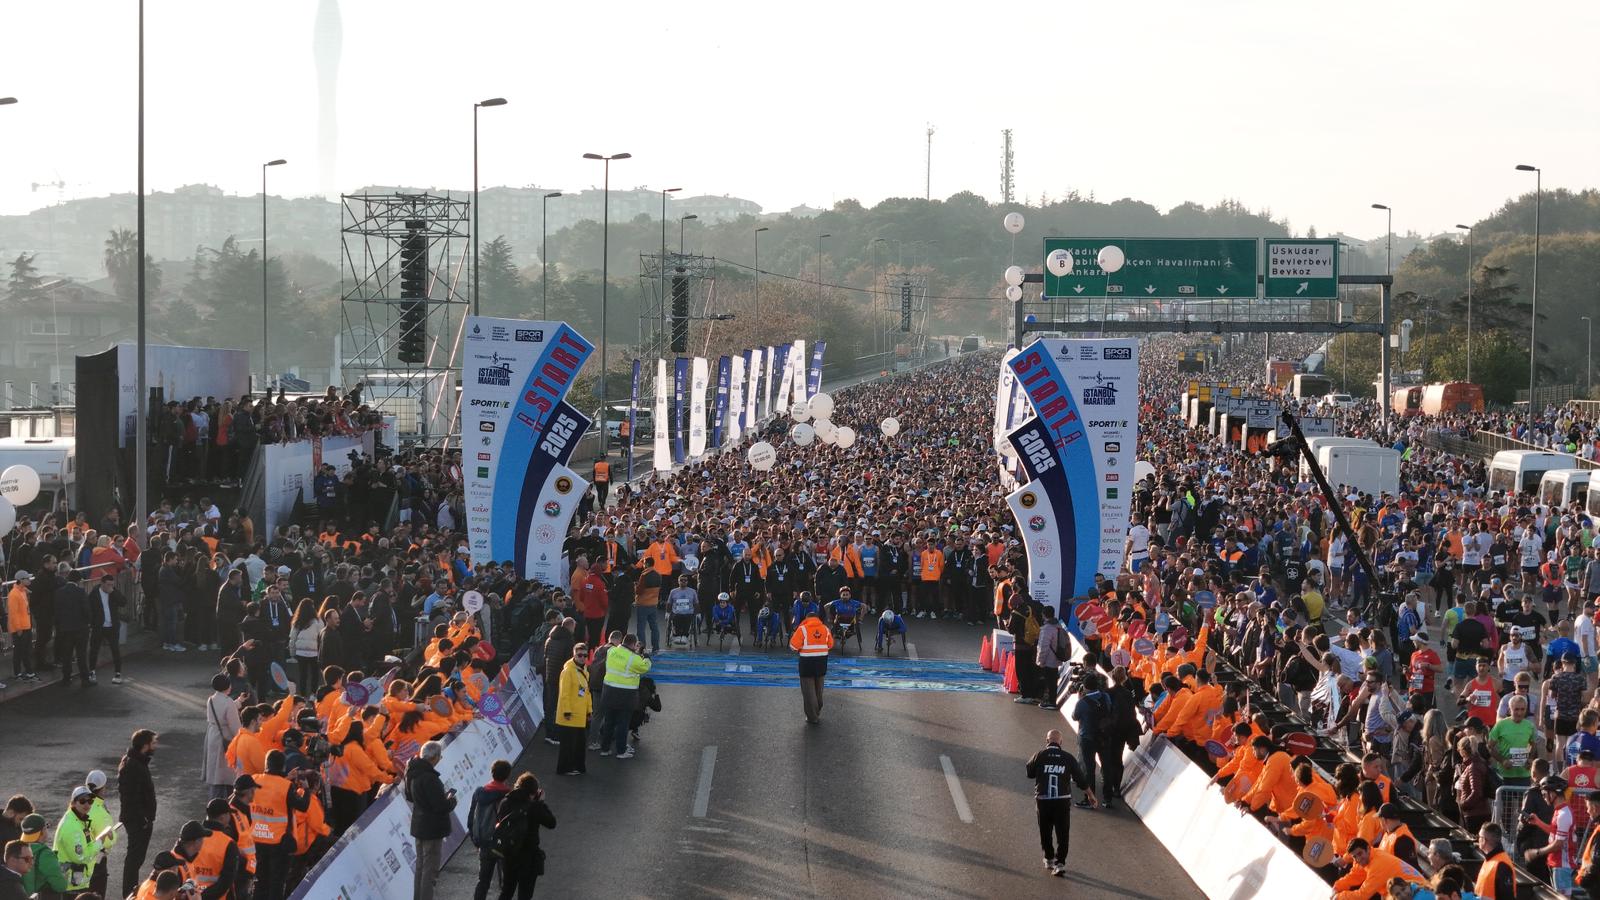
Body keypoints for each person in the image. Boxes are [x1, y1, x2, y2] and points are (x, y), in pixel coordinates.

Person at [1026, 729, 1095, 878]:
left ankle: (1049, 858)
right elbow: (1080, 779)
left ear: (1047, 741)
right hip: (1062, 801)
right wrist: (1090, 795)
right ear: (1061, 742)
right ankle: (1060, 863)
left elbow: (1029, 773)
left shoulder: (1039, 755)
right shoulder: (1068, 758)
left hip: (1043, 800)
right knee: (1063, 833)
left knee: (1045, 831)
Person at [492, 773, 556, 900]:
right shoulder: (535, 807)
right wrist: (541, 803)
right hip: (529, 855)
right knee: (525, 894)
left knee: (507, 891)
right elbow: (551, 823)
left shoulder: (505, 802)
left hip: (509, 853)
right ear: (533, 792)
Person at [406, 740, 456, 900]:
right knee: (430, 871)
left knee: (421, 869)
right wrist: (451, 800)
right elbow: (440, 806)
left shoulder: (412, 771)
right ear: (433, 757)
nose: (440, 759)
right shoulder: (430, 778)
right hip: (432, 829)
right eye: (439, 756)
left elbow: (410, 796)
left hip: (419, 826)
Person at [118, 729, 159, 898]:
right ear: (145, 745)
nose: (155, 746)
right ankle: (129, 894)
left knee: (136, 859)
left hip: (138, 819)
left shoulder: (136, 762)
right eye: (153, 743)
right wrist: (144, 819)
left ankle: (130, 892)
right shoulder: (134, 765)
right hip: (137, 821)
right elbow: (131, 797)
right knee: (134, 860)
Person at [598, 633, 651, 758]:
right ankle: (621, 751)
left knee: (609, 722)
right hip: (625, 695)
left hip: (608, 692)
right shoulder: (634, 658)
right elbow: (645, 667)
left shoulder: (611, 651)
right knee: (623, 723)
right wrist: (647, 657)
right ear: (633, 644)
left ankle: (605, 749)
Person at [467, 759, 513, 900]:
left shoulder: (479, 792)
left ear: (492, 773)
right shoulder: (509, 795)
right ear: (507, 775)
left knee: (483, 881)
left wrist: (476, 841)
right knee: (506, 883)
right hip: (502, 843)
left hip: (484, 842)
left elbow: (471, 819)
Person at [790, 603, 835, 725]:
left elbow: (793, 646)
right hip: (821, 662)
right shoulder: (825, 629)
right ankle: (818, 706)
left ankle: (812, 716)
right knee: (819, 687)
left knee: (808, 689)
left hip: (806, 662)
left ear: (806, 619)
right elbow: (831, 645)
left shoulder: (802, 629)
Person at [52, 786, 100, 896]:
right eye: (82, 801)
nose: (87, 805)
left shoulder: (79, 819)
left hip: (76, 882)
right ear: (73, 803)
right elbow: (81, 857)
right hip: (70, 886)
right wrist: (99, 842)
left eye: (90, 801)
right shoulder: (72, 826)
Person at [554, 643, 591, 775]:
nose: (582, 658)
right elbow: (564, 693)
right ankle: (564, 768)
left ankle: (576, 766)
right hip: (569, 715)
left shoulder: (584, 670)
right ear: (574, 655)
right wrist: (567, 711)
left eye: (585, 655)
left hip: (580, 714)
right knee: (568, 745)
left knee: (579, 744)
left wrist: (589, 710)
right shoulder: (568, 671)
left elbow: (586, 693)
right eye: (579, 655)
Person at [87, 572, 126, 685]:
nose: (110, 587)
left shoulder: (113, 592)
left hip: (112, 626)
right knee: (94, 649)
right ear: (102, 583)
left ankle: (118, 673)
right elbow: (89, 610)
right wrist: (92, 623)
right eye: (108, 585)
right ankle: (92, 672)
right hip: (99, 626)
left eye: (112, 585)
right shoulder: (94, 594)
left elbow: (123, 602)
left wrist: (113, 592)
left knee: (115, 650)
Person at [17, 814, 66, 899]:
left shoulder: (15, 849)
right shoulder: (44, 854)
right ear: (42, 831)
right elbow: (60, 886)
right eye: (46, 827)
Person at [1475, 822, 1518, 899]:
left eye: (1479, 837)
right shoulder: (1490, 860)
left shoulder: (1501, 864)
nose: (1477, 839)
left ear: (1484, 840)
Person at [6, 571, 34, 684]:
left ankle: (27, 671)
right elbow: (13, 613)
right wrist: (18, 628)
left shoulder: (21, 591)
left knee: (25, 650)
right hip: (20, 628)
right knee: (19, 651)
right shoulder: (14, 594)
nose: (29, 580)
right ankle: (19, 672)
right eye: (27, 578)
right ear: (21, 580)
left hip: (25, 626)